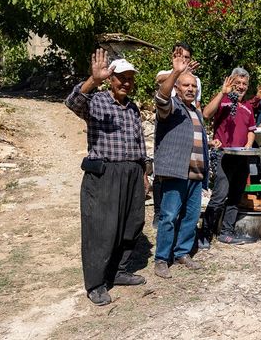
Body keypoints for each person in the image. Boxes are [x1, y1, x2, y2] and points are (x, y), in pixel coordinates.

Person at [65, 49, 148, 306]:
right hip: (105, 173)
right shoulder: (97, 100)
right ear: (111, 79)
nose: (125, 82)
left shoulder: (133, 108)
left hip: (132, 172)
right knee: (101, 229)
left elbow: (140, 143)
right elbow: (72, 102)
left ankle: (119, 271)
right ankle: (96, 283)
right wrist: (93, 80)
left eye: (130, 78)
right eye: (121, 77)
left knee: (131, 224)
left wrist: (144, 173)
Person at [153, 47, 214, 279]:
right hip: (176, 172)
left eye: (193, 86)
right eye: (186, 85)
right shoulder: (171, 107)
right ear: (177, 89)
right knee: (169, 216)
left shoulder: (194, 111)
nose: (190, 89)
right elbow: (160, 97)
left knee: (190, 216)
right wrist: (175, 73)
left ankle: (182, 253)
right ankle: (161, 259)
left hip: (196, 174)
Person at [201, 68, 257, 245]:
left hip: (241, 157)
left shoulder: (248, 106)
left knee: (235, 196)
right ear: (231, 83)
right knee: (219, 196)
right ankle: (205, 234)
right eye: (238, 83)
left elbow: (251, 130)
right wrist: (221, 92)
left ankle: (226, 232)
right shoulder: (223, 100)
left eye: (244, 84)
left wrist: (248, 144)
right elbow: (206, 114)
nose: (241, 87)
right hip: (223, 156)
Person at [152, 43, 201, 230]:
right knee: (164, 168)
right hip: (169, 115)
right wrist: (178, 72)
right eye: (179, 55)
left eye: (187, 57)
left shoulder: (195, 80)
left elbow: (197, 103)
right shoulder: (168, 73)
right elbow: (160, 84)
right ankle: (159, 213)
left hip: (187, 119)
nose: (184, 59)